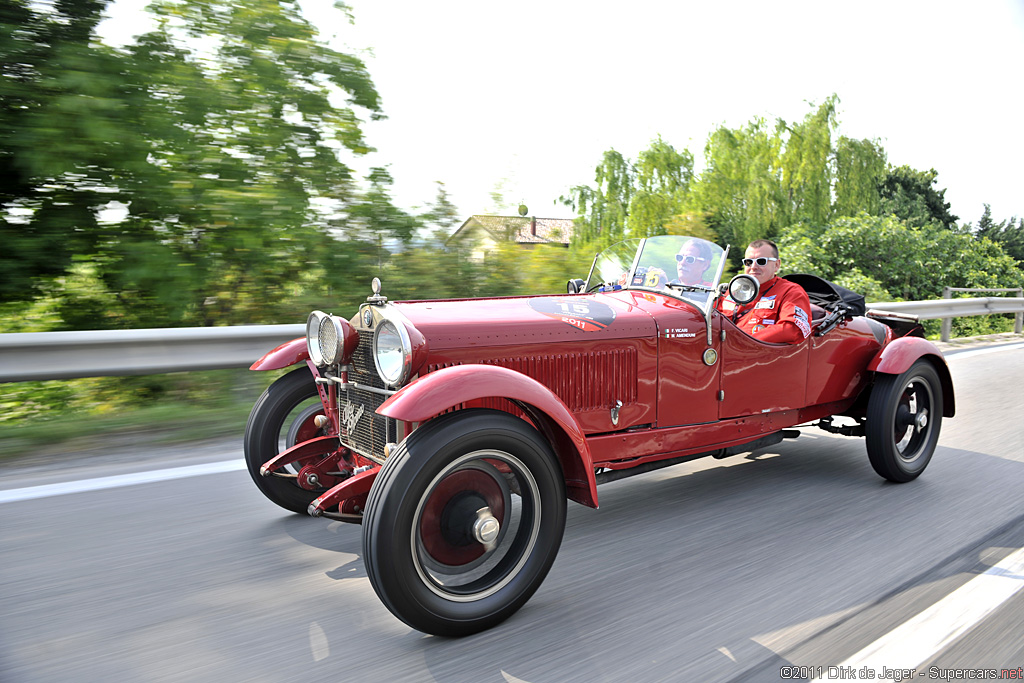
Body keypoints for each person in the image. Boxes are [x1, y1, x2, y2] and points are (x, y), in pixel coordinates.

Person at [718, 239, 811, 343]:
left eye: (761, 261)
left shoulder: (791, 292)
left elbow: (792, 329)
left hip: (758, 354)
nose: (753, 267)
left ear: (776, 265)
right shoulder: (734, 290)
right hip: (721, 353)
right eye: (748, 262)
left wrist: (745, 342)